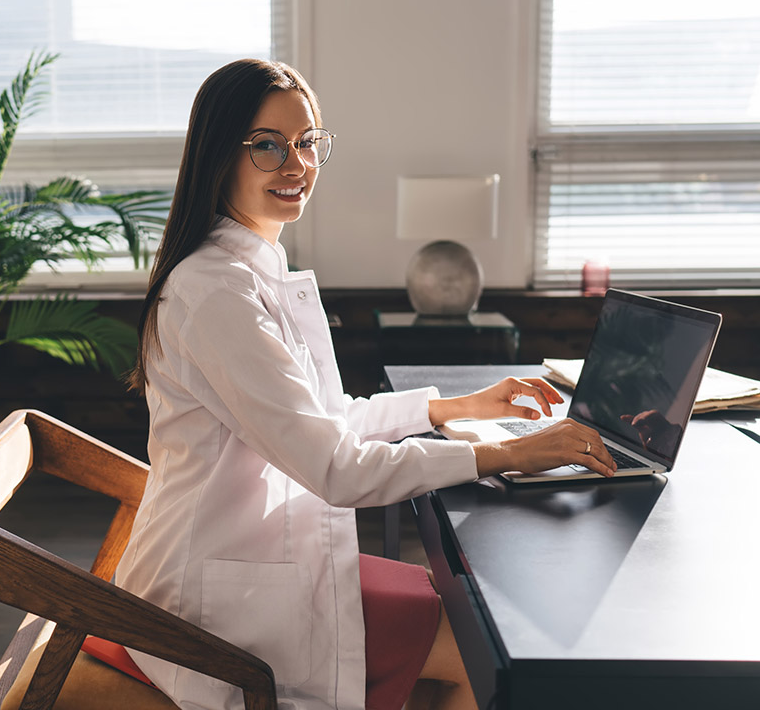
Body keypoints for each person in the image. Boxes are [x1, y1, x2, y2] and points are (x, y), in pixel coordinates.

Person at [114, 59, 617, 710]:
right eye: (267, 145)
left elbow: (326, 418)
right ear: (220, 155)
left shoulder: (252, 269)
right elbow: (337, 469)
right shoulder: (216, 293)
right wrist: (511, 452)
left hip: (258, 565)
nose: (295, 165)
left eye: (307, 142)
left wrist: (452, 408)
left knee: (475, 620)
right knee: (485, 653)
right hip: (213, 603)